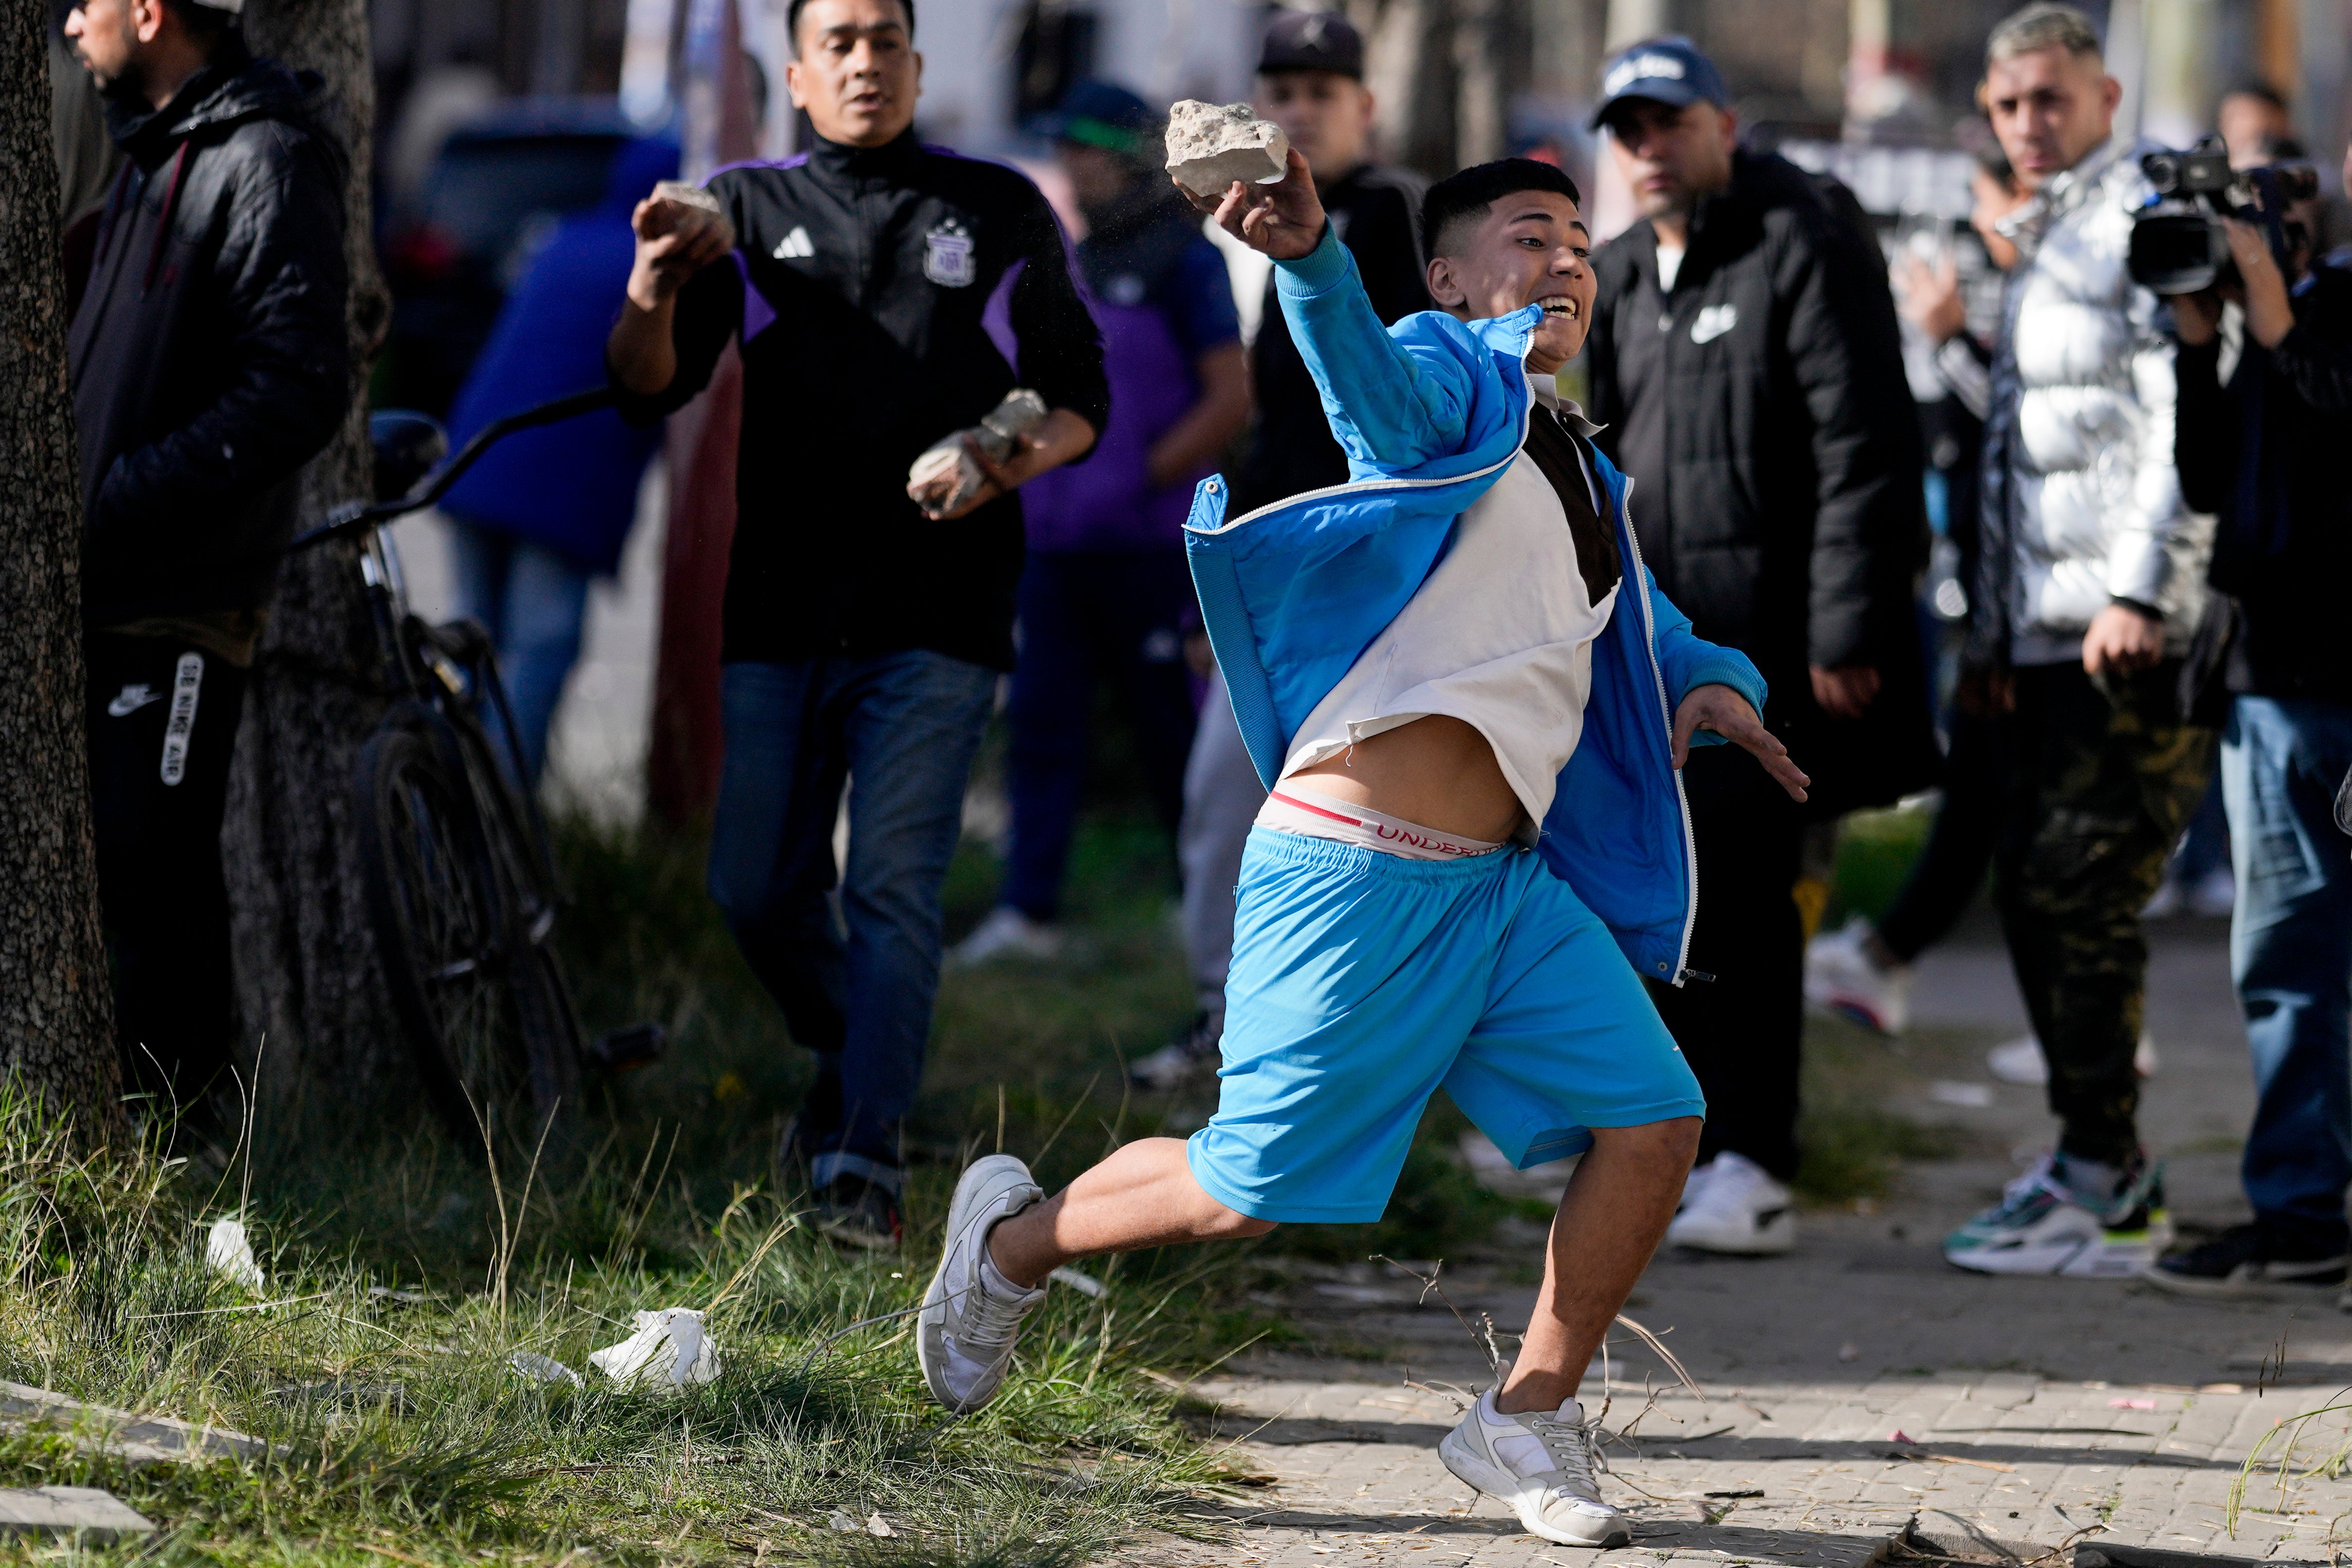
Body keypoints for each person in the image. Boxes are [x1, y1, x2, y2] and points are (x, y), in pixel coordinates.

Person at [916, 151, 1805, 1547]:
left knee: (1657, 1122)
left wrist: (1717, 685)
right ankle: (1008, 1245)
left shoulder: (1580, 464)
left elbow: (1644, 623)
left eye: (1582, 244)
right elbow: (1370, 399)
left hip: (1500, 893)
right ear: (1449, 278)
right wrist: (1315, 263)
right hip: (1353, 862)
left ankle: (1524, 1415)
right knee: (1246, 1194)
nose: (1567, 263)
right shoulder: (1448, 374)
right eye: (1531, 237)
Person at [605, 0, 1107, 1251]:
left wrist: (995, 455)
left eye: (884, 40)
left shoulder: (999, 207)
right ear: (797, 74)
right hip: (778, 610)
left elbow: (1077, 396)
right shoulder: (743, 209)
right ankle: (858, 1047)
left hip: (940, 613)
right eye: (839, 42)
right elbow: (646, 384)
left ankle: (860, 1163)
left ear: (916, 65)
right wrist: (653, 285)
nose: (865, 61)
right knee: (750, 888)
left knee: (891, 887)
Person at [1583, 37, 1932, 1256]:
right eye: (1628, 130)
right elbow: (1601, 470)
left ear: (1722, 126)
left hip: (1772, 651)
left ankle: (1755, 1161)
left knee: (1744, 902)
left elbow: (1863, 444)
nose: (1648, 148)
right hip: (1650, 655)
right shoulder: (1617, 272)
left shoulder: (1799, 242)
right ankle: (1663, 1146)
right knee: (1656, 895)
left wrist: (1847, 625)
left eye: (1669, 122)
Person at [1938, 1, 2215, 1278]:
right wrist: (1995, 634)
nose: (2027, 123)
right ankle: (2089, 1163)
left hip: (2124, 635)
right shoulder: (2049, 224)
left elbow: (2179, 418)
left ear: (2104, 98)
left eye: (2049, 98)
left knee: (2076, 894)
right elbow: (2017, 448)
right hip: (2043, 636)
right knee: (2033, 897)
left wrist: (2142, 594)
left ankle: (2109, 1185)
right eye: (2006, 105)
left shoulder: (2143, 215)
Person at [1133, 8, 1433, 1090]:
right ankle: (1225, 1023)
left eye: (1322, 92)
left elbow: (1400, 410)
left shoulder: (1392, 217)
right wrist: (1214, 597)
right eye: (1283, 92)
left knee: (1372, 835)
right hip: (1279, 581)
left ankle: (1357, 1049)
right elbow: (1275, 438)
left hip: (1377, 585)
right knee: (1223, 805)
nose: (1300, 110)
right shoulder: (1261, 225)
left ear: (1366, 108)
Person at [66, 0, 350, 1122]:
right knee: (113, 874)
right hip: (108, 591)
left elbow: (297, 389)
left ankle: (191, 1142)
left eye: (89, 1)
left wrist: (121, 500)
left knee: (152, 870)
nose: (70, 22)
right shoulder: (149, 159)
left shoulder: (265, 158)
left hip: (182, 602)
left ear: (149, 13)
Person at [949, 82, 1248, 966]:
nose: (1069, 165)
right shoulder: (1068, 257)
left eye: (1082, 148)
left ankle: (1203, 907)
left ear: (1123, 157)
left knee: (1173, 734)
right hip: (1057, 547)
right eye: (1063, 148)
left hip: (1153, 549)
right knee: (1041, 727)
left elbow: (1231, 398)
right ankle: (1026, 912)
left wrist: (1134, 481)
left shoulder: (1185, 264)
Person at [2143, 180, 2352, 1298]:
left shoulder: (2320, 317)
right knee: (2288, 963)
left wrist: (2277, 319)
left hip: (2330, 685)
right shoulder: (2282, 319)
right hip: (2269, 680)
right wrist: (2199, 342)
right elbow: (2208, 478)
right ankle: (2302, 1213)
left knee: (2305, 963)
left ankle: (2305, 1210)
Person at [439, 135, 680, 787]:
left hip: (477, 456)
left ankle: (437, 798)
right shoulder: (658, 268)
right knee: (539, 649)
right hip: (561, 485)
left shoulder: (566, 238)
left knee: (472, 641)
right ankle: (503, 814)